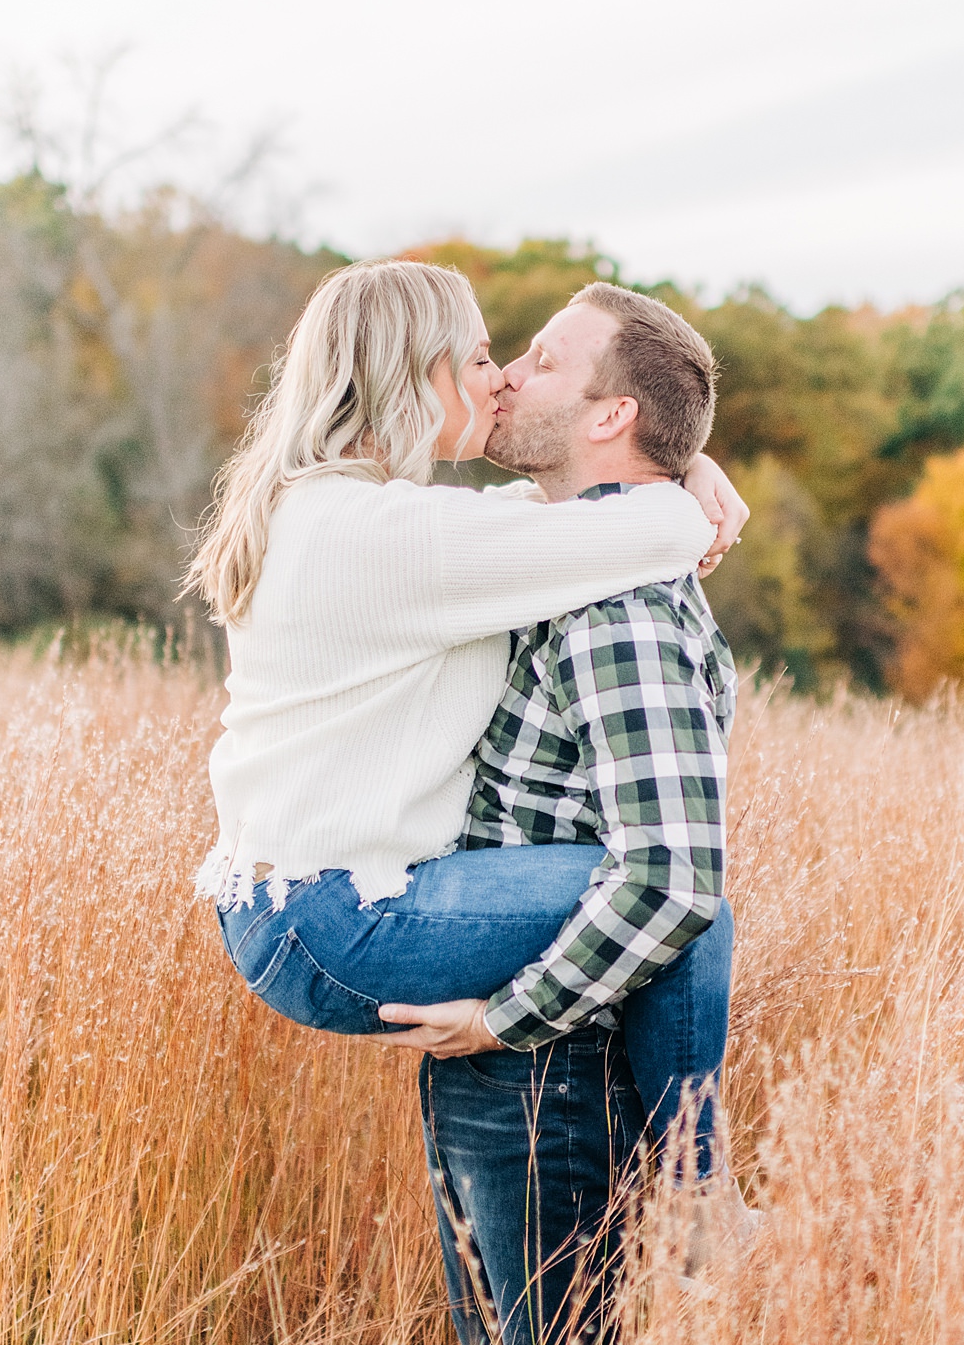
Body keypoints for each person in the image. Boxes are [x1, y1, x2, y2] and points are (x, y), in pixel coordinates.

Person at [189, 259, 747, 1151]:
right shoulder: (388, 537)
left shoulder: (336, 511)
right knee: (681, 897)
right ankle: (697, 1190)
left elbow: (540, 516)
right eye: (482, 358)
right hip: (342, 914)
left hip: (284, 906)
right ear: (418, 372)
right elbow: (640, 525)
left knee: (665, 893)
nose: (501, 381)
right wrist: (689, 490)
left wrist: (688, 463)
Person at [375, 285, 749, 1345]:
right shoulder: (561, 562)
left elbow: (675, 874)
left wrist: (506, 1021)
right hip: (521, 1046)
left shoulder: (617, 613)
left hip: (553, 1060)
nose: (503, 380)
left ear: (608, 416)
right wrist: (694, 474)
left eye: (539, 362)